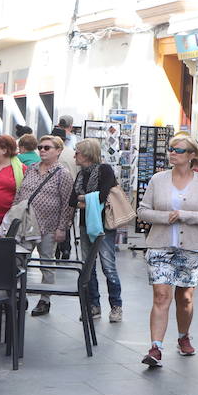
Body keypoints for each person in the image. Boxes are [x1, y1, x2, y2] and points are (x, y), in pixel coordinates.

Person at [137, 134, 198, 367]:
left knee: (185, 298)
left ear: (191, 155)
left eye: (179, 150)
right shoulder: (158, 179)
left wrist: (186, 216)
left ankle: (183, 337)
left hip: (190, 247)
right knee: (161, 296)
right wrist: (166, 217)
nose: (172, 153)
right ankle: (155, 348)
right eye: (171, 149)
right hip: (159, 245)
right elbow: (142, 211)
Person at [15, 136, 75, 316]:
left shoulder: (62, 174)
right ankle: (18, 295)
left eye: (47, 147)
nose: (42, 150)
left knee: (46, 263)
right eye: (40, 147)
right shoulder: (31, 169)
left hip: (49, 226)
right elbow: (19, 193)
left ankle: (45, 300)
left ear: (58, 151)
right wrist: (14, 212)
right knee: (19, 261)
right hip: (26, 225)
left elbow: (67, 203)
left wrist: (62, 227)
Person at [71, 138, 124, 322]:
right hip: (85, 225)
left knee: (108, 266)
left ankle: (116, 306)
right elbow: (72, 200)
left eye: (77, 152)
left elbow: (102, 196)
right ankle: (93, 305)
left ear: (87, 154)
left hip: (104, 225)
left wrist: (84, 199)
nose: (74, 156)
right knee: (88, 267)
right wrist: (87, 199)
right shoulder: (80, 175)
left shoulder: (105, 170)